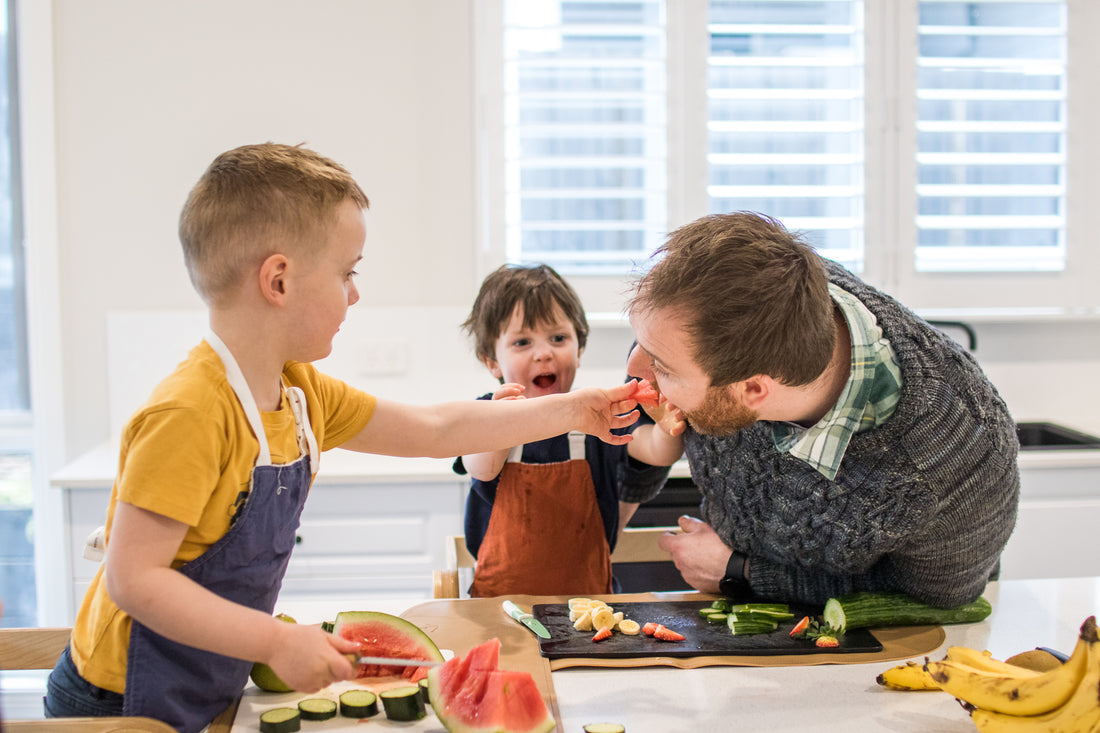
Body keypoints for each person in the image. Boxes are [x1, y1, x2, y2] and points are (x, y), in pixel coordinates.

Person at [44, 143, 646, 733]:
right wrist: (275, 640)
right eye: (346, 273)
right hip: (118, 701)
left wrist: (576, 410)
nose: (355, 294)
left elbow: (439, 428)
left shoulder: (300, 393)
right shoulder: (190, 412)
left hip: (205, 681)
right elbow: (135, 580)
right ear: (278, 281)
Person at [623, 211, 1019, 609]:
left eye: (661, 366)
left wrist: (741, 572)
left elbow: (933, 599)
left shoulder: (962, 456)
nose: (634, 369)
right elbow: (662, 362)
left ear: (753, 389)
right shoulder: (752, 295)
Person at [454, 264, 685, 597]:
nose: (544, 352)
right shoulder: (489, 412)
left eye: (558, 338)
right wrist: (500, 421)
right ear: (492, 362)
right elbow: (482, 468)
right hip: (499, 606)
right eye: (522, 342)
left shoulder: (597, 413)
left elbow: (656, 451)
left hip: (592, 604)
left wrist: (666, 427)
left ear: (578, 350)